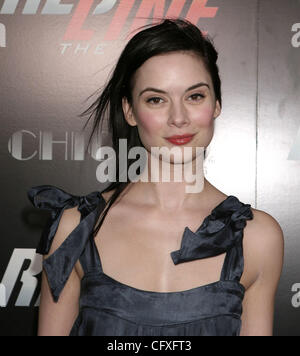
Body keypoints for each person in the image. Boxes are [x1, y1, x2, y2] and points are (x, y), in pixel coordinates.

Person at [27, 18, 284, 336]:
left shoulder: (258, 237)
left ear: (216, 103)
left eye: (195, 96)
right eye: (156, 100)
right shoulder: (74, 229)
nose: (178, 118)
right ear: (130, 111)